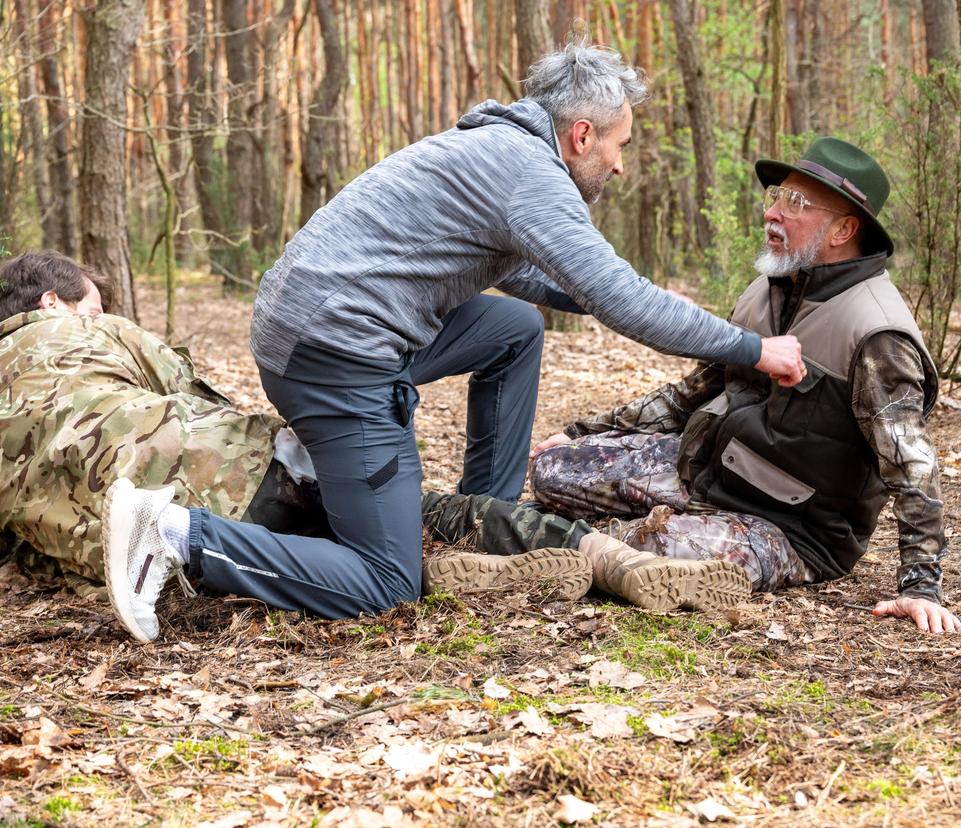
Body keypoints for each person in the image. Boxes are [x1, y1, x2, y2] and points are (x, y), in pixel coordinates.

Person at [104, 40, 804, 636]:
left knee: (512, 329)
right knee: (384, 582)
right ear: (582, 135)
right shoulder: (529, 174)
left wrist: (596, 294)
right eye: (619, 144)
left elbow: (535, 279)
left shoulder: (498, 150)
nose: (620, 164)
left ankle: (480, 519)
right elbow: (622, 299)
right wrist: (752, 348)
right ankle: (176, 535)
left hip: (327, 326)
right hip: (333, 356)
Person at [0, 250, 597, 641]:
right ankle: (600, 553)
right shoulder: (89, 334)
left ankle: (480, 559)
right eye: (94, 304)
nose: (101, 314)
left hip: (113, 553)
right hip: (216, 486)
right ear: (52, 303)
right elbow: (194, 399)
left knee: (367, 536)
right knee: (402, 549)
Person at [522, 136, 961, 635]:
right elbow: (692, 394)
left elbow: (913, 465)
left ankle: (533, 541)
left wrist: (921, 587)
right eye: (776, 195)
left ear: (843, 229)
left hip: (790, 528)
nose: (772, 213)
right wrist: (583, 433)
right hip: (705, 469)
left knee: (642, 544)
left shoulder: (877, 333)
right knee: (553, 470)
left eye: (795, 203)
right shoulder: (766, 291)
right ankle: (571, 539)